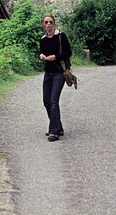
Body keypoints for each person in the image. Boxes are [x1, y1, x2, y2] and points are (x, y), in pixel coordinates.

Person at [39, 13, 72, 142]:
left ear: (54, 24)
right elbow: (41, 51)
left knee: (53, 101)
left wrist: (56, 57)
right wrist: (41, 56)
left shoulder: (61, 36)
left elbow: (68, 52)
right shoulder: (43, 39)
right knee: (46, 101)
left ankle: (54, 132)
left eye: (50, 22)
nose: (48, 24)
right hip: (48, 72)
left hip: (59, 72)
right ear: (43, 24)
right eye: (46, 22)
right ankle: (58, 126)